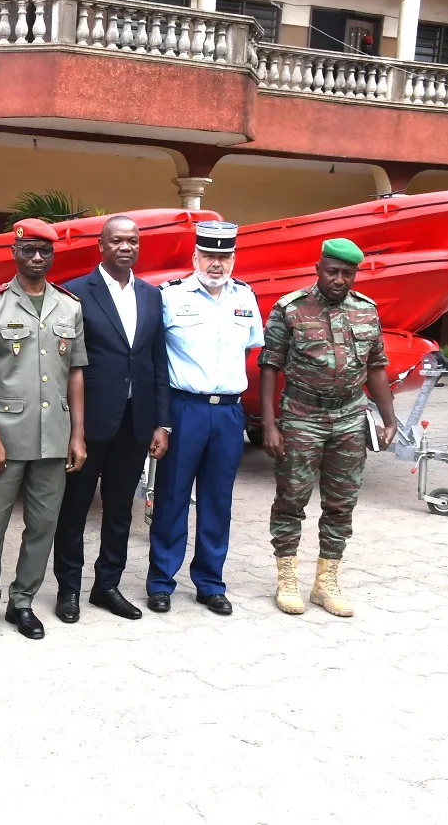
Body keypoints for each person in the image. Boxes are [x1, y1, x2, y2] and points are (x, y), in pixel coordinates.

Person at [259, 238, 397, 618]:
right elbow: (269, 366)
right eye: (332, 271)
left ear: (355, 274)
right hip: (302, 415)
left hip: (350, 418)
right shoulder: (290, 309)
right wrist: (269, 424)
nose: (339, 279)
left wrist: (389, 417)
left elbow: (376, 366)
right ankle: (287, 578)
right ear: (318, 269)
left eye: (347, 273)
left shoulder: (366, 311)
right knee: (292, 498)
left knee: (341, 502)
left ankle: (326, 581)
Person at [0, 219, 87, 642]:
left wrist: (77, 435)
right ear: (15, 253)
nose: (38, 257)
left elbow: (75, 374)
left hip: (53, 437)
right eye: (29, 250)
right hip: (4, 437)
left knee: (43, 526)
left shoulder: (69, 306)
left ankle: (22, 602)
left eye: (45, 251)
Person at [51, 216, 169, 624]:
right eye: (116, 240)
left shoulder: (152, 297)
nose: (125, 247)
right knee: (75, 509)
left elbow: (157, 361)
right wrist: (73, 430)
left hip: (136, 423)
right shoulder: (78, 294)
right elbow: (67, 364)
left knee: (120, 511)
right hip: (89, 423)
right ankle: (68, 589)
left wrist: (161, 423)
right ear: (101, 246)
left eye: (132, 241)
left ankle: (107, 587)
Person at [146, 221, 263, 615]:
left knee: (218, 500)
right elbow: (156, 358)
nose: (216, 264)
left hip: (229, 412)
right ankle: (161, 581)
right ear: (195, 257)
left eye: (223, 256)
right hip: (184, 409)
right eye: (209, 256)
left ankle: (210, 583)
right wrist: (160, 418)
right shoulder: (171, 297)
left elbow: (251, 349)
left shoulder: (245, 297)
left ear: (233, 258)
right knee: (172, 497)